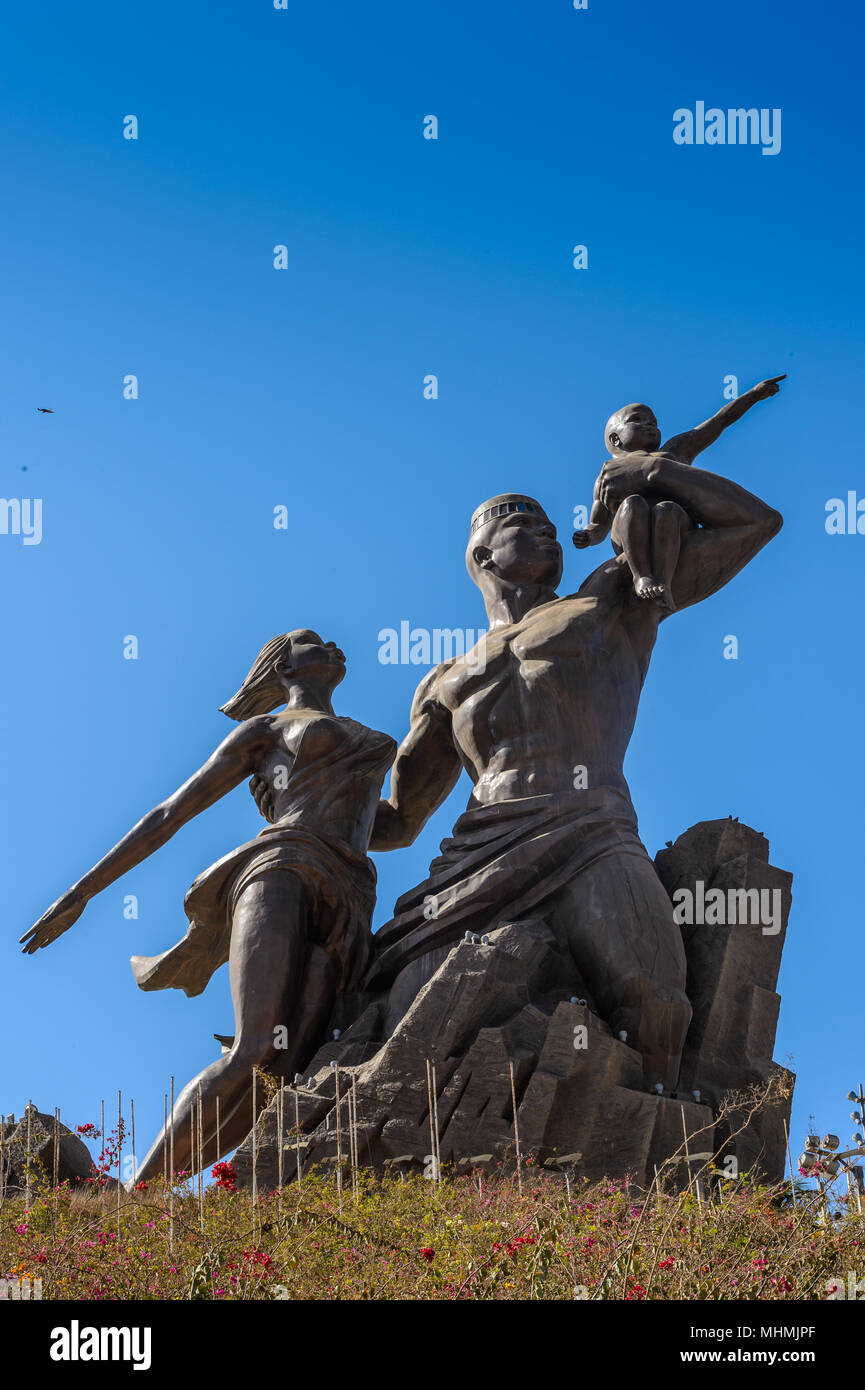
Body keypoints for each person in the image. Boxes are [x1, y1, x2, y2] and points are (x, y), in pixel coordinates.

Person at [364, 446, 783, 1091]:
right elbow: (396, 822)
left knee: (656, 1000)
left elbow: (754, 524)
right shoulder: (444, 681)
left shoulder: (612, 596)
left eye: (550, 524)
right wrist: (305, 812)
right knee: (410, 1014)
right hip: (477, 856)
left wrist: (654, 472)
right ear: (483, 557)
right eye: (523, 525)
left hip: (592, 829)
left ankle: (662, 1174)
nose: (548, 531)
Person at [21, 630, 396, 1179]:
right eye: (312, 641)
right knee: (255, 1045)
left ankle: (267, 1181)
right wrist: (82, 892)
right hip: (282, 866)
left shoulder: (368, 737)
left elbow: (397, 825)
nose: (334, 644)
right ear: (281, 668)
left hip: (353, 888)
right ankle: (139, 1197)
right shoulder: (264, 731)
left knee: (295, 1057)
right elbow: (171, 813)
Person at [573, 376, 785, 610]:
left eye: (653, 421)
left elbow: (716, 423)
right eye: (637, 420)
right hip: (630, 532)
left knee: (668, 510)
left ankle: (663, 581)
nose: (650, 425)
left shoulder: (672, 451)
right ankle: (641, 576)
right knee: (632, 503)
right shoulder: (607, 475)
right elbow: (599, 522)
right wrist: (588, 535)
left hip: (675, 525)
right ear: (616, 439)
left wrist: (753, 395)